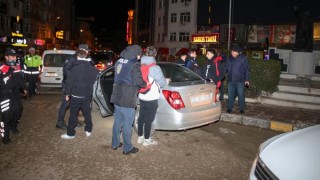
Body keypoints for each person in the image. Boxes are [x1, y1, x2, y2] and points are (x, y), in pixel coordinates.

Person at [110, 44, 146, 155]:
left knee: (117, 121)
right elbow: (139, 82)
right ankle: (127, 148)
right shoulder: (134, 65)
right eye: (139, 55)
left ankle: (115, 143)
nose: (139, 58)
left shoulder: (119, 61)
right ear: (136, 54)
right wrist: (145, 83)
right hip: (128, 96)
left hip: (117, 94)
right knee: (127, 123)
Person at [61, 44, 99, 139]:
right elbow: (95, 78)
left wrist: (67, 94)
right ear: (85, 55)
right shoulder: (93, 68)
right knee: (87, 113)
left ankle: (70, 133)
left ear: (78, 56)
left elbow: (69, 82)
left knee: (73, 114)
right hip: (87, 95)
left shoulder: (75, 69)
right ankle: (88, 130)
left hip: (76, 95)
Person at [137, 46, 167, 146]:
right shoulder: (155, 67)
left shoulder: (139, 65)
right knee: (149, 119)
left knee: (141, 117)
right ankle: (147, 140)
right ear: (155, 54)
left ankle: (140, 137)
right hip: (151, 97)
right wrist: (166, 80)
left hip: (141, 95)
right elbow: (162, 84)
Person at [0, 48, 27, 144]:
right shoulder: (1, 67)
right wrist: (11, 70)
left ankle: (13, 126)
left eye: (15, 56)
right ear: (6, 57)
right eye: (12, 56)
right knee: (5, 116)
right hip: (4, 94)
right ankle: (5, 137)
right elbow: (2, 81)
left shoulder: (18, 66)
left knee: (18, 112)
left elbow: (20, 79)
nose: (14, 58)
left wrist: (24, 88)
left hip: (15, 94)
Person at [56, 53, 82, 130]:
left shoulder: (79, 59)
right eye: (86, 51)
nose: (87, 53)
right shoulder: (72, 59)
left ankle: (74, 121)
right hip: (68, 85)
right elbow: (66, 70)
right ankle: (59, 122)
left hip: (75, 86)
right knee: (65, 104)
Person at [226, 44, 250, 114]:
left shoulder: (243, 58)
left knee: (240, 94)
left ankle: (241, 108)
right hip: (230, 80)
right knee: (230, 94)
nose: (232, 53)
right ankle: (230, 108)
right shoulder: (229, 58)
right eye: (232, 51)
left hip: (240, 80)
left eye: (234, 51)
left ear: (238, 52)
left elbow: (247, 69)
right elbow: (226, 68)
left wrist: (247, 80)